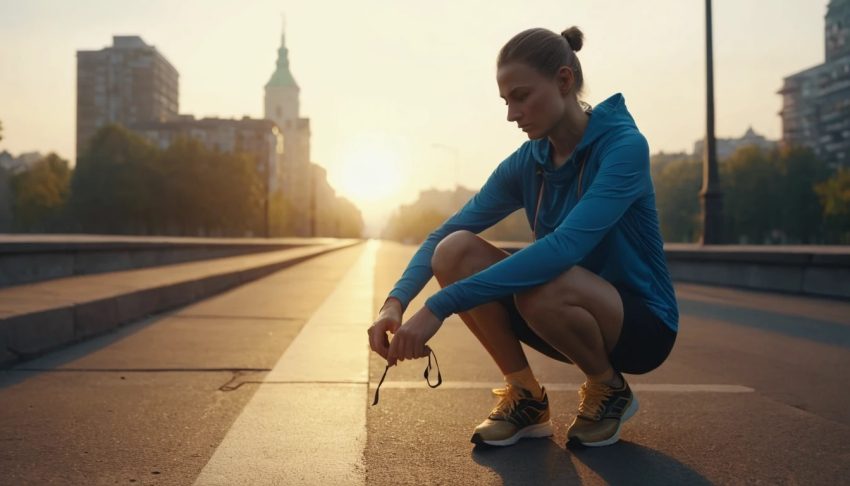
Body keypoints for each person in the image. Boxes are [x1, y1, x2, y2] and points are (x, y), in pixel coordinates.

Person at [367, 26, 678, 448]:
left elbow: (565, 248)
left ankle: (609, 388)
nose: (512, 114)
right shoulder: (528, 163)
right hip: (559, 312)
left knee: (543, 279)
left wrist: (439, 307)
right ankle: (526, 397)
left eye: (521, 96)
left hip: (642, 324)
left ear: (564, 81)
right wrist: (395, 302)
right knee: (454, 250)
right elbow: (446, 232)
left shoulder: (623, 148)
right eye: (506, 100)